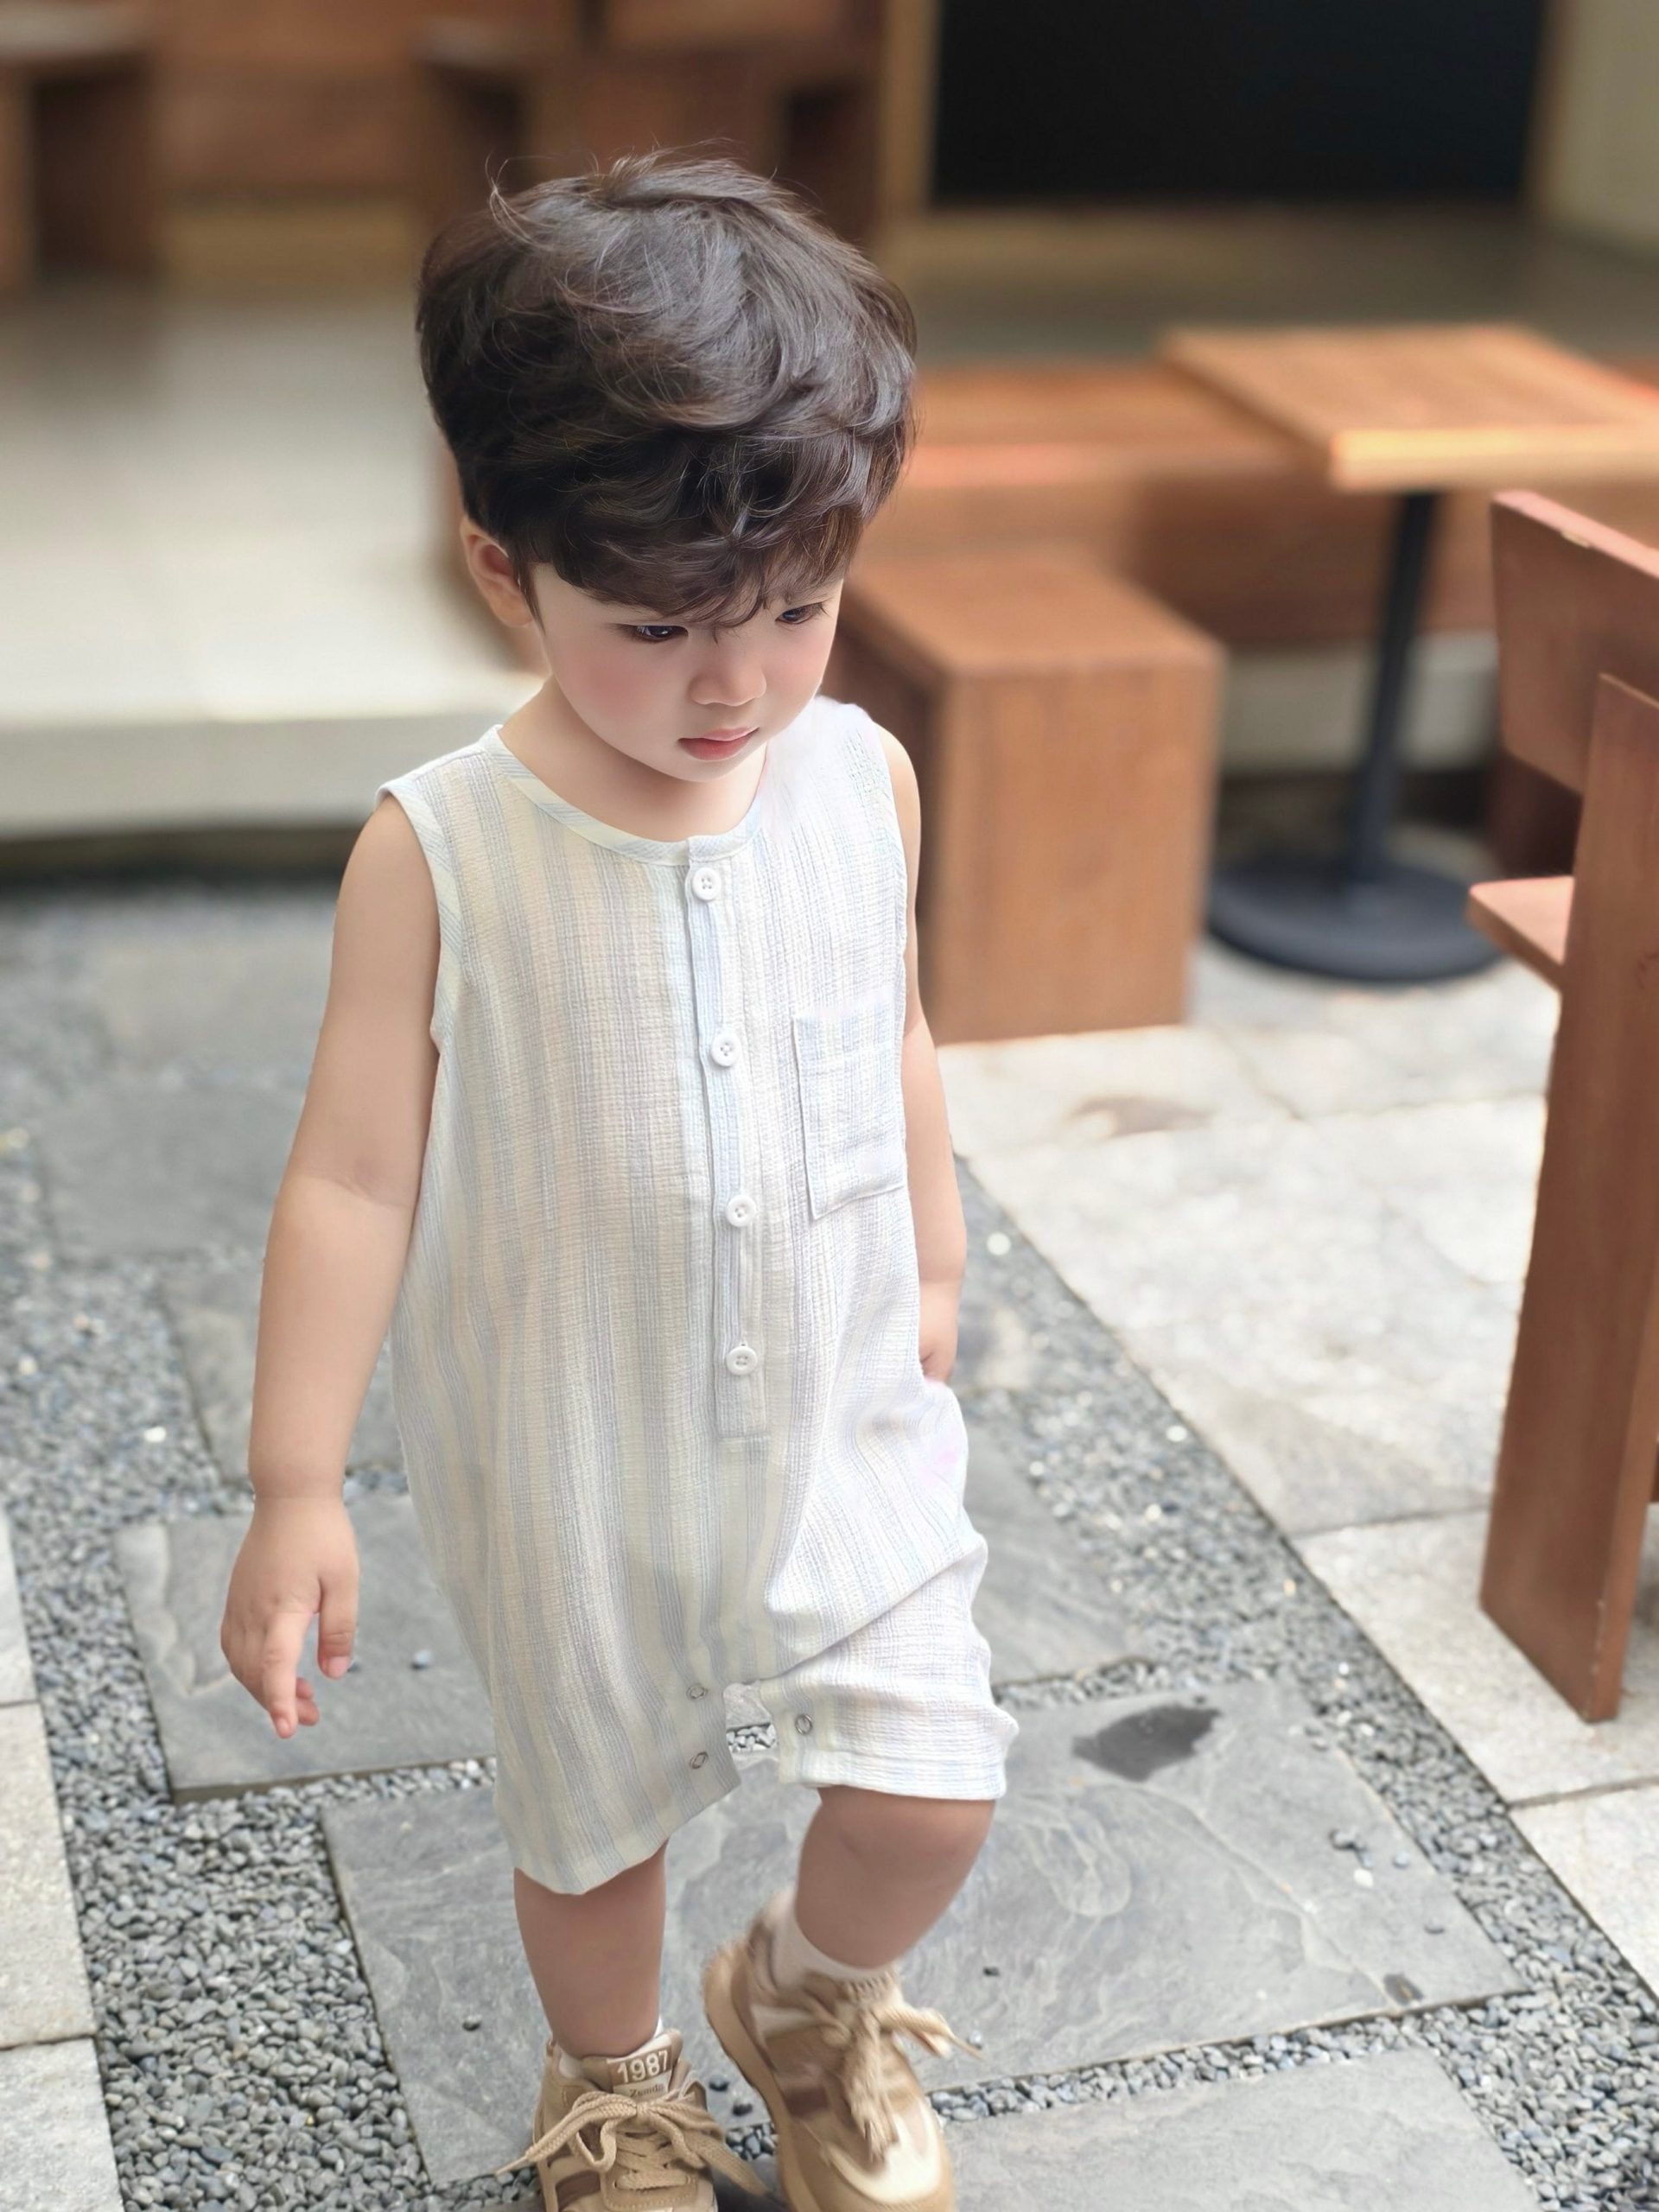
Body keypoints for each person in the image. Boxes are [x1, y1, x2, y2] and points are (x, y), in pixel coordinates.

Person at [218, 147, 1018, 2212]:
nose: (734, 685)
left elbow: (896, 1032)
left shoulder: (862, 778)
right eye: (658, 629)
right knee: (592, 1827)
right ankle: (614, 2086)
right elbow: (355, 1177)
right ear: (508, 572)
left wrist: (933, 1260)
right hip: (565, 1442)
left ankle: (807, 2002)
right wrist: (296, 1482)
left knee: (935, 1781)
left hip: (836, 1408)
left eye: (797, 611)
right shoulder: (442, 849)